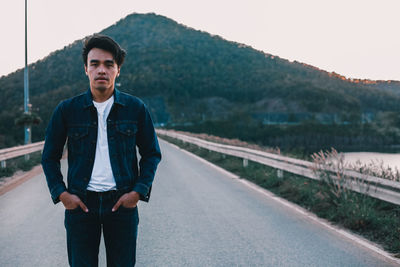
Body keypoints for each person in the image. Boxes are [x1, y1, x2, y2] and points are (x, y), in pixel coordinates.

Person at [41, 34, 162, 266]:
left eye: (109, 64)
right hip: (81, 207)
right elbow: (49, 157)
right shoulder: (67, 110)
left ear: (118, 70)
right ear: (86, 69)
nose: (101, 70)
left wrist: (137, 192)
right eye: (94, 64)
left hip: (122, 205)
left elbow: (151, 154)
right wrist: (62, 194)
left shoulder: (135, 108)